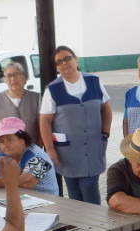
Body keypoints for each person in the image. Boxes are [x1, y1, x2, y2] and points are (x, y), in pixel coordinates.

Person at [38, 45, 112, 204]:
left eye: (67, 58)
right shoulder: (52, 89)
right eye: (59, 62)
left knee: (89, 187)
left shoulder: (94, 81)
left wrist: (105, 134)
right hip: (67, 152)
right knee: (73, 191)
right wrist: (50, 150)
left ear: (75, 59)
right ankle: (80, 226)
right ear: (57, 67)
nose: (64, 63)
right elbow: (44, 121)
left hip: (92, 147)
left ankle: (95, 224)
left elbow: (106, 108)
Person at [0, 61, 42, 154]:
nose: (13, 78)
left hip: (30, 155)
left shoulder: (37, 99)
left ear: (25, 77)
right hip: (4, 156)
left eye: (17, 74)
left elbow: (42, 128)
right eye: (9, 76)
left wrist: (38, 152)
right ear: (5, 80)